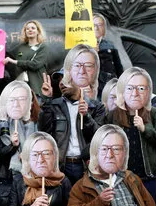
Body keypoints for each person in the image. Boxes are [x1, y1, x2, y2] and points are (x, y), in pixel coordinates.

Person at [38, 44, 106, 184]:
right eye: (59, 79)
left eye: (66, 79)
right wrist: (46, 100)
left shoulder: (96, 107)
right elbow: (44, 130)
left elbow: (99, 137)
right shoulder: (54, 105)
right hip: (62, 166)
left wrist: (86, 116)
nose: (62, 83)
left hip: (85, 165)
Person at [108, 66, 156, 198]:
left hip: (148, 178)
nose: (135, 93)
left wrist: (145, 129)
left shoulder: (153, 113)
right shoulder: (112, 115)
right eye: (130, 88)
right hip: (122, 178)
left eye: (141, 88)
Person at [0, 80, 39, 178]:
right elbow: (0, 154)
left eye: (23, 99)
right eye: (13, 99)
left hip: (35, 172)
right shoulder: (4, 123)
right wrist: (13, 146)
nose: (17, 104)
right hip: (12, 175)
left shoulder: (38, 122)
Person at [3, 20, 48, 96]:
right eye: (27, 29)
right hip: (22, 90)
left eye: (33, 28)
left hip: (36, 89)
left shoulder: (42, 47)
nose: (30, 30)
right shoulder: (21, 47)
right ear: (25, 32)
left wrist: (14, 61)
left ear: (38, 31)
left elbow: (35, 65)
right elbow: (7, 54)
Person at [93, 13, 124, 80]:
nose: (97, 28)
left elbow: (118, 66)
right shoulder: (82, 46)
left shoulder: (109, 45)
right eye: (93, 25)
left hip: (109, 81)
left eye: (100, 25)